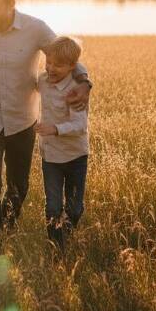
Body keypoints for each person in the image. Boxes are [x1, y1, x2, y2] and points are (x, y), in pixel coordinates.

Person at [0, 0, 92, 235]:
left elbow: (67, 55)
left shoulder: (35, 28)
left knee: (18, 186)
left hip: (22, 120)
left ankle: (7, 228)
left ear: (12, 4)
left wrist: (85, 81)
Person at [34, 37, 89, 249]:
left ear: (72, 66)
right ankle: (56, 249)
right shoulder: (42, 81)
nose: (51, 68)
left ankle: (64, 234)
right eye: (48, 62)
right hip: (51, 158)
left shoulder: (77, 89)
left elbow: (80, 124)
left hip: (76, 156)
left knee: (75, 208)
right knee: (53, 206)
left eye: (58, 65)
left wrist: (55, 129)